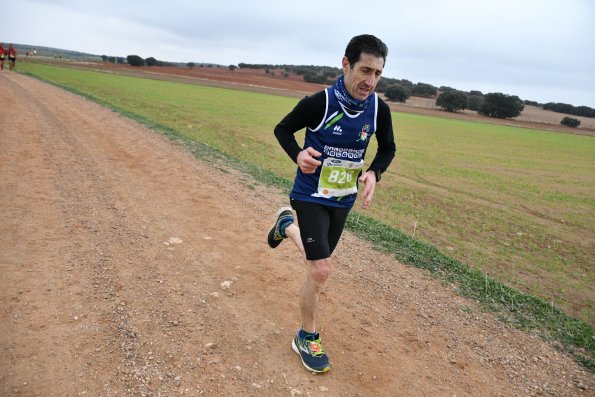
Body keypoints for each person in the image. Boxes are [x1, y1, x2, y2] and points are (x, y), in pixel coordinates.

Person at [267, 34, 396, 373]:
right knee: (320, 269)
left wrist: (373, 173)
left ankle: (286, 226)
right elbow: (282, 129)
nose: (370, 81)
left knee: (316, 261)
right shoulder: (320, 102)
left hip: (342, 200)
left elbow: (387, 148)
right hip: (309, 194)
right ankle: (306, 337)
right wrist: (298, 155)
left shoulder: (379, 108)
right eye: (365, 70)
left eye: (378, 74)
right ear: (345, 64)